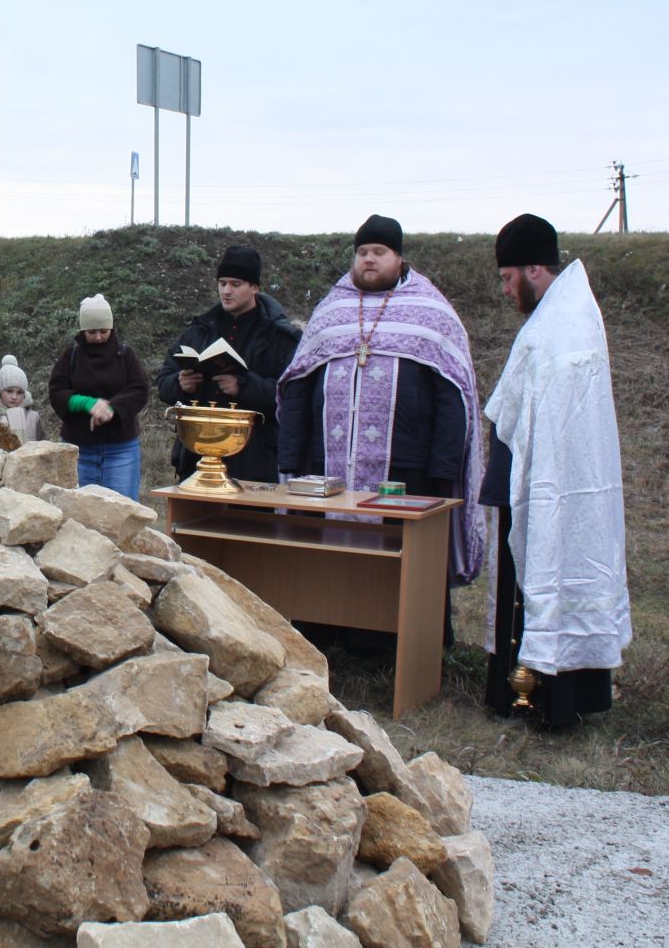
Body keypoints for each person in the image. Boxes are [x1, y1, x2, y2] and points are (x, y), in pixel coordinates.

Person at [482, 214, 632, 729]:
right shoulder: (561, 315)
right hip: (536, 473)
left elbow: (551, 416)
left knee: (549, 572)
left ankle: (545, 700)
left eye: (507, 278)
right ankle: (527, 693)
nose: (505, 290)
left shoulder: (562, 326)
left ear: (533, 269)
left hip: (554, 481)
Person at [277, 215, 483, 570]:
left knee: (406, 571)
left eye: (379, 251)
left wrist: (442, 472)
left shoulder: (432, 313)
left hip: (407, 473)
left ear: (399, 258)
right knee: (327, 571)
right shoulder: (332, 311)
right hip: (326, 470)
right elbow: (298, 385)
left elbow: (453, 397)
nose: (368, 259)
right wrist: (291, 462)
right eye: (362, 252)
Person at [154, 244, 301, 486]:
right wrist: (181, 385)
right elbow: (163, 383)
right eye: (222, 283)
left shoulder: (280, 338)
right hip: (197, 459)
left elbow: (292, 394)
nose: (226, 291)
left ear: (254, 287)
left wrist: (244, 386)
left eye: (235, 284)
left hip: (255, 461)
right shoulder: (198, 330)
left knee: (246, 524)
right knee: (194, 525)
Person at [47, 295, 150, 499]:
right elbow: (57, 392)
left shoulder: (126, 355)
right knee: (78, 514)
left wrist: (111, 409)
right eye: (91, 332)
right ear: (82, 330)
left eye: (103, 331)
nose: (98, 337)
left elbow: (140, 389)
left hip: (121, 449)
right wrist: (88, 404)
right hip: (78, 449)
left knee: (123, 512)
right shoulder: (71, 357)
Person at [0, 355, 45, 444]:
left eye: (19, 392)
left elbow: (44, 446)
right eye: (9, 391)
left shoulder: (33, 417)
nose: (14, 397)